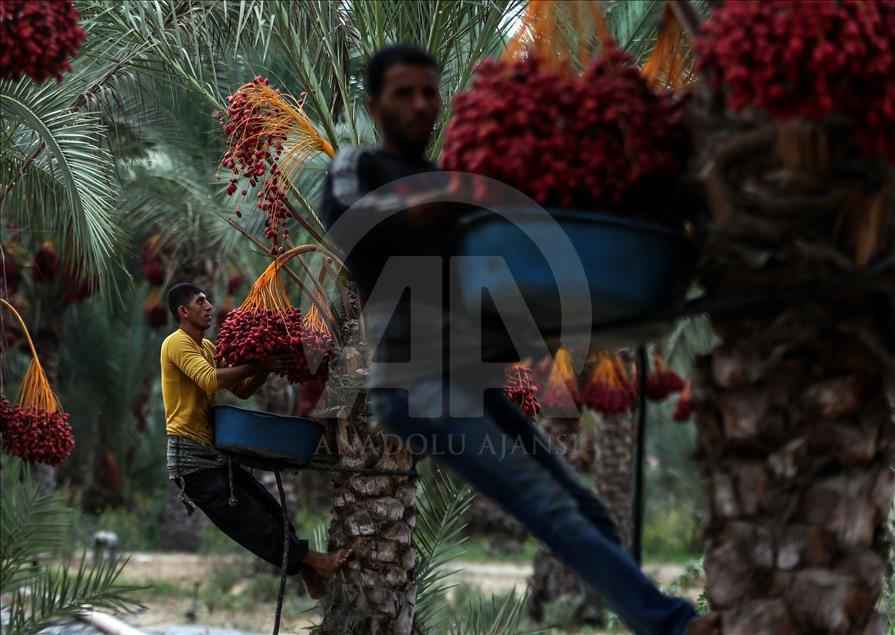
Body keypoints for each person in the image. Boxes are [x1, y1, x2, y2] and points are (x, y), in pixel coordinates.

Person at [322, 44, 721, 635]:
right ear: (374, 104)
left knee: (583, 507)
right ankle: (673, 626)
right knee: (549, 506)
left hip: (469, 384)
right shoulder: (362, 165)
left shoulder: (457, 194)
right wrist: (449, 198)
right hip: (416, 386)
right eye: (403, 93)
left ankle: (647, 610)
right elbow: (348, 215)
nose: (419, 105)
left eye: (429, 91)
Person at [161, 282, 352, 598]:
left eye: (208, 298)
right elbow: (209, 380)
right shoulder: (176, 343)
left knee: (268, 509)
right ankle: (317, 561)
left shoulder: (207, 348)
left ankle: (308, 574)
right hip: (191, 461)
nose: (209, 305)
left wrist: (267, 367)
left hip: (214, 457)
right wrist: (257, 364)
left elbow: (241, 390)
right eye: (201, 300)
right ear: (183, 311)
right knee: (250, 522)